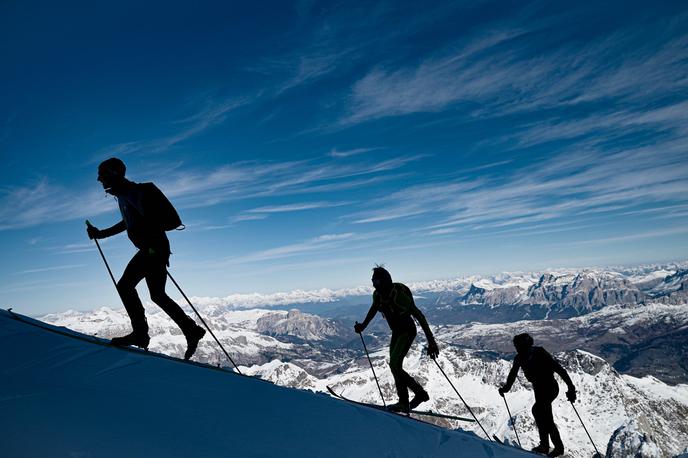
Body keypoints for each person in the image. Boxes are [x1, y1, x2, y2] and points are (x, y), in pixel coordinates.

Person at [86, 157, 206, 360]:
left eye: (102, 173)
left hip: (153, 250)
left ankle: (141, 334)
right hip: (155, 249)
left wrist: (150, 241)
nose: (99, 178)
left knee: (125, 286)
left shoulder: (136, 192)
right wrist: (101, 234)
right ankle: (191, 330)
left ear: (114, 173)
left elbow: (161, 220)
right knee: (157, 295)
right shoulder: (125, 195)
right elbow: (128, 222)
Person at [354, 266, 439, 413]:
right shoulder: (378, 295)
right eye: (373, 281)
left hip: (407, 331)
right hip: (397, 332)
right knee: (394, 366)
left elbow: (419, 316)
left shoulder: (399, 296)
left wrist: (431, 342)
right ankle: (404, 402)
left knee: (394, 364)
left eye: (376, 281)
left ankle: (418, 394)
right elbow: (374, 309)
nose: (374, 285)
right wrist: (363, 326)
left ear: (384, 282)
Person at [498, 333, 576, 457]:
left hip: (549, 387)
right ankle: (546, 446)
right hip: (539, 389)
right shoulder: (520, 357)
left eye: (519, 346)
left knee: (541, 412)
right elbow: (513, 374)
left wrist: (571, 388)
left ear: (526, 345)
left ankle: (554, 447)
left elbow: (559, 369)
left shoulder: (539, 353)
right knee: (540, 413)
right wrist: (506, 389)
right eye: (517, 346)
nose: (517, 349)